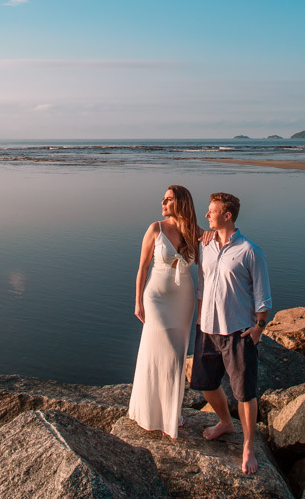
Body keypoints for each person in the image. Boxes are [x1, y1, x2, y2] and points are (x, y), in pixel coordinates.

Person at [190, 191, 271, 474]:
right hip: (207, 328)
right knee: (205, 383)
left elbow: (263, 296)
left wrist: (259, 326)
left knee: (245, 393)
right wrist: (199, 319)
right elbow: (201, 284)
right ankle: (225, 423)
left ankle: (249, 446)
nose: (206, 215)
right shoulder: (206, 245)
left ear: (227, 216)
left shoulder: (250, 251)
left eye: (211, 211)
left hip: (238, 331)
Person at [128, 185, 202, 438]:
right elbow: (142, 267)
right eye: (163, 199)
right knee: (161, 352)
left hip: (184, 301)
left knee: (177, 358)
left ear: (181, 202)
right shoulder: (155, 229)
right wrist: (138, 301)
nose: (163, 202)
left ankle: (171, 414)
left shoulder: (194, 232)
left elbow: (216, 246)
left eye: (168, 199)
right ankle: (148, 412)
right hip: (156, 298)